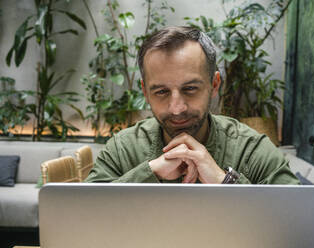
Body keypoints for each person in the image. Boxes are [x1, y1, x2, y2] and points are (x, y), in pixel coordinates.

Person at [85, 26, 299, 185]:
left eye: (190, 89)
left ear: (214, 85)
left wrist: (224, 182)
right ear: (145, 92)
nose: (177, 108)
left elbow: (300, 222)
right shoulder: (123, 149)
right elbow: (83, 217)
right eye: (161, 92)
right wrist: (149, 172)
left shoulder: (251, 150)